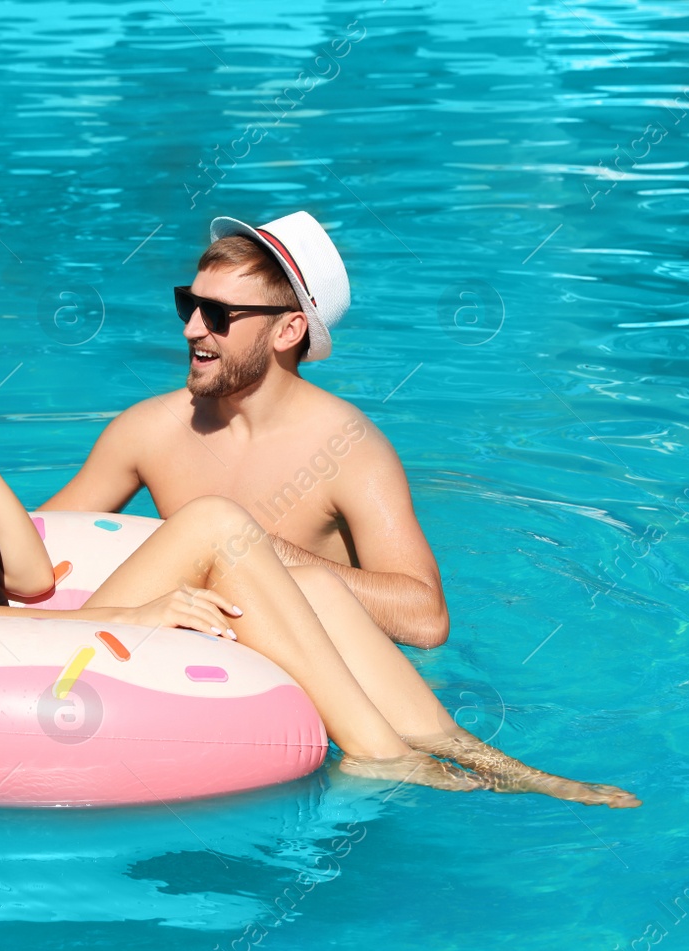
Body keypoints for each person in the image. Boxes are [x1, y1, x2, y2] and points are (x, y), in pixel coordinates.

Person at [0, 262, 639, 806]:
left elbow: (22, 576)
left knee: (306, 575)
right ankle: (381, 756)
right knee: (214, 523)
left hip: (27, 632)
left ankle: (475, 756)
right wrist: (138, 618)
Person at [40, 212, 450, 649]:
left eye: (217, 314)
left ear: (288, 330)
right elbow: (33, 548)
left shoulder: (348, 450)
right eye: (189, 304)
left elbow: (425, 619)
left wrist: (264, 552)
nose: (191, 328)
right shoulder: (150, 430)